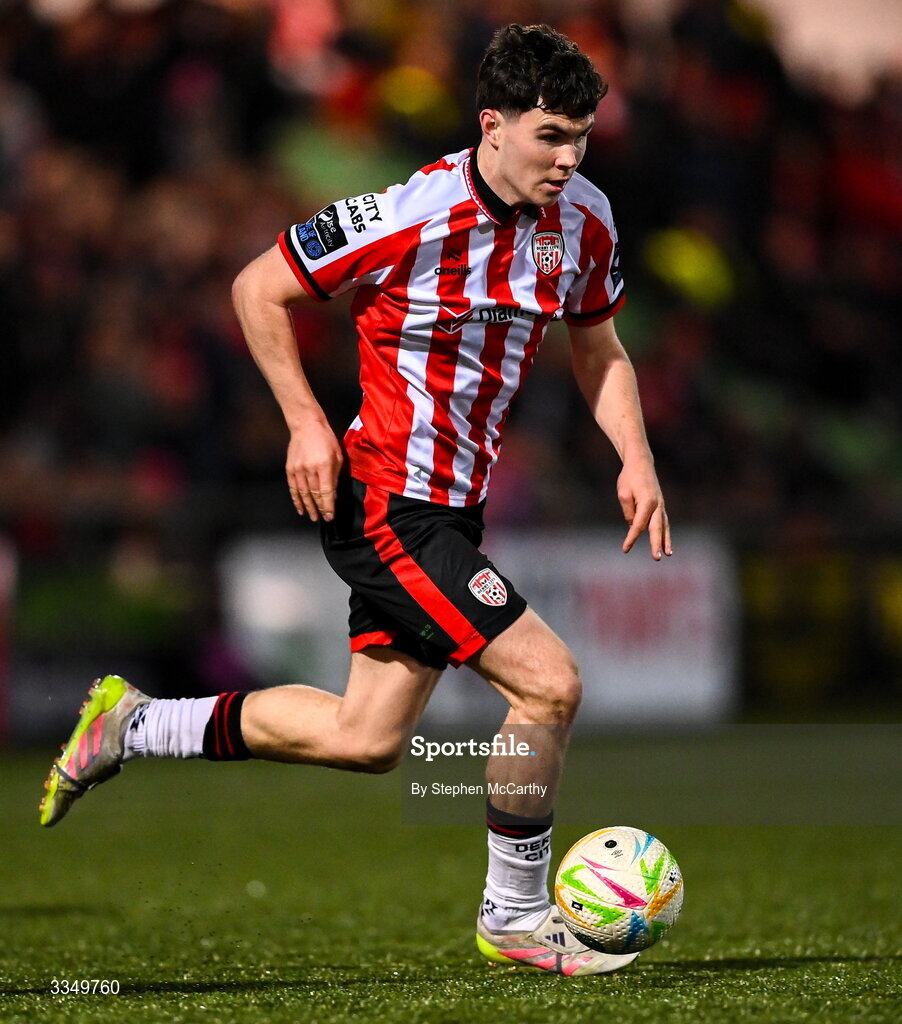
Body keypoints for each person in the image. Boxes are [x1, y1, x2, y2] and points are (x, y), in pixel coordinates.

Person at [38, 24, 670, 977]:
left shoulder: (585, 218)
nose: (569, 157)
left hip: (453, 509)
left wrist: (637, 455)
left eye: (581, 135)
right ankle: (514, 914)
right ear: (492, 126)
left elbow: (599, 348)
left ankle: (132, 723)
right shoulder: (409, 211)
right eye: (550, 135)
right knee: (550, 684)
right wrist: (304, 421)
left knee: (365, 736)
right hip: (388, 503)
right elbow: (258, 289)